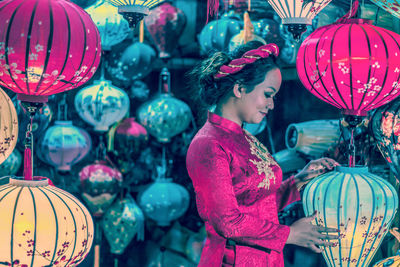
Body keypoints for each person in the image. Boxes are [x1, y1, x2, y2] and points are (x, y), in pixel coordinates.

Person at [186, 41, 340, 267]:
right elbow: (227, 222)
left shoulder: (245, 138)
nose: (271, 104)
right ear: (239, 89)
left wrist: (299, 181)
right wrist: (290, 234)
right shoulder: (208, 144)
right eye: (268, 94)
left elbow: (258, 205)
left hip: (266, 259)